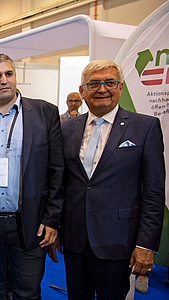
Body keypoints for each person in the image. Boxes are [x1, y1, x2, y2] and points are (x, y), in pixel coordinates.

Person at [48, 60, 165, 300]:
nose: (102, 89)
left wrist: (146, 245)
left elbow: (153, 192)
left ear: (120, 88)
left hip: (118, 240)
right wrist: (56, 226)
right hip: (75, 239)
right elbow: (59, 183)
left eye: (110, 82)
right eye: (94, 84)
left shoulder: (145, 127)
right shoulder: (66, 128)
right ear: (82, 91)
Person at [0, 53, 64, 300]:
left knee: (27, 292)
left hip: (29, 223)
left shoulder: (45, 113)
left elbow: (57, 170)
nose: (4, 80)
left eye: (9, 74)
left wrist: (52, 220)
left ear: (15, 77)